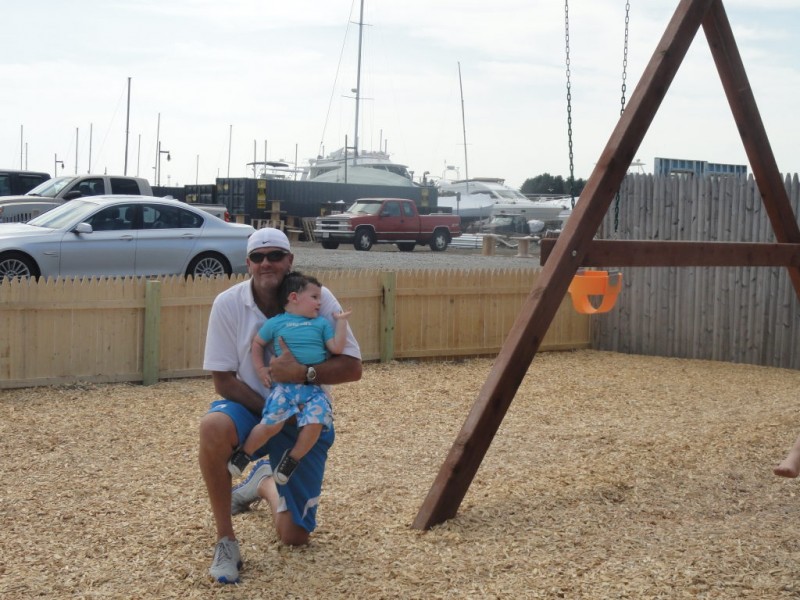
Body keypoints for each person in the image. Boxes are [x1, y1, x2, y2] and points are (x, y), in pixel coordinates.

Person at [199, 228, 362, 584]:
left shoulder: (317, 297)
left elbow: (352, 367)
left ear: (290, 260)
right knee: (212, 427)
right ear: (248, 264)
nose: (266, 263)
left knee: (294, 536)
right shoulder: (228, 303)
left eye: (275, 255)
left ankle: (262, 483)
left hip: (304, 413)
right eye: (257, 257)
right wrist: (275, 410)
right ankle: (226, 540)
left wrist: (305, 372)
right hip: (254, 407)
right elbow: (224, 381)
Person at [227, 271, 352, 484]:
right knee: (271, 424)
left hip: (313, 389)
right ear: (294, 297)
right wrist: (260, 369)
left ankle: (292, 459)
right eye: (314, 297)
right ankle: (244, 454)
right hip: (284, 388)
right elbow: (257, 344)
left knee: (315, 423)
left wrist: (340, 323)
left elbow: (337, 348)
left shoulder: (321, 324)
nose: (319, 303)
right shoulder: (276, 323)